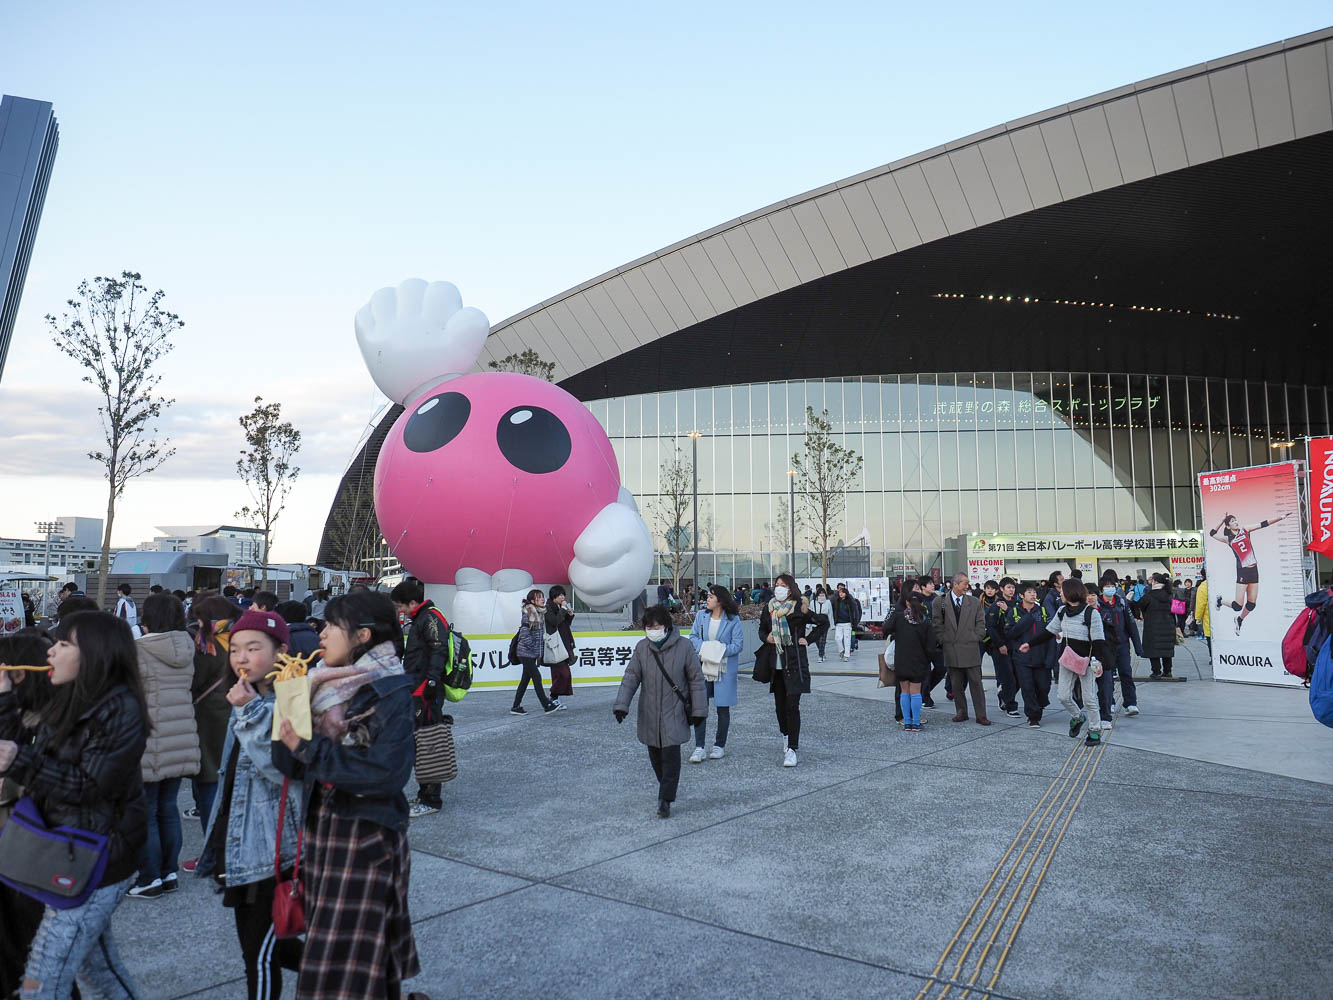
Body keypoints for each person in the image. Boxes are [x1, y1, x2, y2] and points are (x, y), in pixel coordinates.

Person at [272, 590, 422, 1000]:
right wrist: (289, 708)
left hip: (367, 841)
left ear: (363, 635)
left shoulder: (388, 690)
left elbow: (386, 774)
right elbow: (288, 766)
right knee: (359, 963)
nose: (321, 633)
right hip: (323, 835)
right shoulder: (317, 683)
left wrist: (308, 748)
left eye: (332, 626)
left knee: (339, 966)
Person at [0, 612, 147, 998]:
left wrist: (19, 760)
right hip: (70, 851)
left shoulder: (121, 709)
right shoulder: (70, 698)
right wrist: (4, 698)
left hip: (96, 858)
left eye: (64, 644)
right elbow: (20, 749)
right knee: (100, 971)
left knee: (40, 982)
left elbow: (88, 785)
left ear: (96, 655)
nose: (50, 651)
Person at [196, 609, 303, 999]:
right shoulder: (246, 694)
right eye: (236, 648)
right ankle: (355, 980)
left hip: (273, 854)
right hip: (241, 846)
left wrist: (249, 711)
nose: (241, 657)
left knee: (259, 956)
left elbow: (284, 770)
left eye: (254, 648)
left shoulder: (292, 697)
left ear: (281, 651)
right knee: (268, 948)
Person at [0, 629, 60, 999]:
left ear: (18, 674)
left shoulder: (49, 725)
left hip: (29, 859)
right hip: (16, 856)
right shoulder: (28, 715)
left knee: (35, 961)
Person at [130, 593, 201, 899]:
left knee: (146, 811)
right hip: (181, 735)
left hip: (149, 738)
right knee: (168, 808)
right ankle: (169, 872)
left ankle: (149, 877)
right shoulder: (188, 647)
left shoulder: (138, 650)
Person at [614, 605, 706, 817]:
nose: (653, 630)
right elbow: (631, 677)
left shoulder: (684, 646)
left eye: (657, 626)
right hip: (650, 712)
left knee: (671, 757)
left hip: (674, 711)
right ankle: (665, 787)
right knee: (656, 757)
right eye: (649, 627)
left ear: (667, 626)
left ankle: (665, 799)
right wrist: (621, 705)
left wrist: (699, 710)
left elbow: (696, 680)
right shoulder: (642, 648)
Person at [391, 577, 454, 817]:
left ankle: (431, 799)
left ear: (412, 602)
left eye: (401, 606)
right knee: (420, 740)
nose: (400, 610)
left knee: (429, 741)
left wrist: (432, 681)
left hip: (426, 690)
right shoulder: (421, 618)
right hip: (418, 687)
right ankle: (424, 792)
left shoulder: (430, 618)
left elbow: (439, 650)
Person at [1020, 579, 1111, 745]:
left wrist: (1097, 661)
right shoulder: (1062, 611)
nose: (1060, 593)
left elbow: (1099, 640)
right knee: (1063, 696)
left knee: (1089, 698)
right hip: (1068, 659)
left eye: (1062, 591)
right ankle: (1077, 716)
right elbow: (1050, 631)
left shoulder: (1091, 613)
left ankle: (1095, 731)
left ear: (1070, 592)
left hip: (1087, 661)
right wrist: (1030, 644)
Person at [187, 595, 242, 849]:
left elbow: (195, 681)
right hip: (235, 709)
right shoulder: (240, 639)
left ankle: (213, 849)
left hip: (210, 716)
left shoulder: (207, 644)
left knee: (209, 779)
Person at [1209, 512, 1292, 636]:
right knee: (1237, 606)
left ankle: (1239, 620)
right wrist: (1221, 521)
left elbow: (1263, 524)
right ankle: (1220, 601)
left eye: (1235, 519)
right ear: (1228, 526)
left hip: (1254, 570)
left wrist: (1280, 517)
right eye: (1232, 521)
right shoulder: (1228, 539)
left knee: (1251, 604)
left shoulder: (1245, 530)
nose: (1236, 522)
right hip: (1242, 571)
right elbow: (1212, 533)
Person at [687, 585, 745, 761]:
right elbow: (693, 637)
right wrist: (707, 648)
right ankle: (699, 747)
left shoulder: (733, 619)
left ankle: (719, 745)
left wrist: (718, 650)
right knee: (700, 707)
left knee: (722, 709)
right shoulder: (701, 616)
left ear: (720, 600)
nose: (707, 599)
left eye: (711, 597)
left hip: (724, 668)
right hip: (703, 667)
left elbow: (738, 645)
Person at [759, 574, 812, 766]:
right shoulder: (770, 608)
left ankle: (792, 748)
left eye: (783, 585)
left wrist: (808, 639)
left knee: (792, 707)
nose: (779, 587)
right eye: (777, 584)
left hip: (794, 664)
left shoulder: (799, 607)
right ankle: (785, 735)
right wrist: (767, 638)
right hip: (777, 666)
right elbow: (761, 630)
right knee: (780, 707)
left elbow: (822, 622)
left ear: (790, 588)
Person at [934, 573, 990, 725]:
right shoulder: (940, 602)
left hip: (970, 646)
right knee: (956, 683)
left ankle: (981, 714)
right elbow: (937, 623)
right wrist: (943, 639)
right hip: (951, 646)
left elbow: (981, 622)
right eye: (965, 583)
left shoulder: (974, 602)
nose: (967, 586)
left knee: (976, 683)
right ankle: (961, 711)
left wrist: (977, 636)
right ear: (955, 584)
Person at [883, 591, 939, 732]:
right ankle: (916, 722)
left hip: (901, 659)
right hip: (918, 660)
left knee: (904, 691)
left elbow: (886, 628)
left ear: (907, 603)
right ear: (922, 603)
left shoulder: (899, 617)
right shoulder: (925, 621)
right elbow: (932, 644)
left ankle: (907, 722)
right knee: (915, 692)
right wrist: (927, 658)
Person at [1094, 572, 1144, 724]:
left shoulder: (1122, 603)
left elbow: (1131, 625)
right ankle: (1109, 702)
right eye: (1107, 586)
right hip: (1105, 647)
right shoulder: (1097, 605)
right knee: (1106, 677)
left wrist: (1138, 647)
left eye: (1112, 586)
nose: (1110, 588)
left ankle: (1130, 703)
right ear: (1101, 589)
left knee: (1126, 672)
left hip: (1122, 644)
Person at [1003, 583, 1056, 727]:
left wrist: (1051, 656)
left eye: (1034, 592)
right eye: (1029, 592)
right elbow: (1009, 634)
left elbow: (1051, 634)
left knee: (1044, 687)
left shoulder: (1043, 611)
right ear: (1021, 595)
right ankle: (1033, 716)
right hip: (1022, 658)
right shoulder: (1014, 612)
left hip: (1041, 657)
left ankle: (1039, 705)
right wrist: (1027, 619)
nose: (1033, 595)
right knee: (1027, 687)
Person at [511, 590, 561, 715]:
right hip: (525, 652)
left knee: (525, 680)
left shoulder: (540, 613)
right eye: (539, 597)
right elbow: (524, 635)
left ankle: (515, 707)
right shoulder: (529, 613)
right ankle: (546, 705)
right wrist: (534, 647)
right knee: (537, 677)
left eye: (542, 597)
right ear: (533, 601)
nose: (542, 599)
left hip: (532, 653)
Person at [985, 577, 1022, 718]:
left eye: (1013, 587)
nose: (1011, 590)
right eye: (1008, 587)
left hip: (1015, 646)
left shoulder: (1017, 604)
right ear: (1001, 589)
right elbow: (991, 627)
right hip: (1000, 647)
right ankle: (1011, 706)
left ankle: (1003, 695)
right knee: (1008, 678)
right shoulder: (997, 605)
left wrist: (1009, 610)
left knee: (1018, 677)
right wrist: (1000, 645)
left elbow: (1021, 621)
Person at [1132, 573, 1178, 679]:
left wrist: (1131, 601)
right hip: (1168, 626)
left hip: (1152, 627)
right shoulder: (1169, 595)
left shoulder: (1150, 595)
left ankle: (1156, 672)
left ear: (1155, 582)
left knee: (1153, 649)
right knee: (1166, 649)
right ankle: (1167, 672)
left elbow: (1139, 605)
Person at [544, 585, 577, 703]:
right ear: (554, 596)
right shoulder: (548, 608)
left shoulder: (559, 607)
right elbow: (555, 622)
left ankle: (554, 698)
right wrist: (563, 609)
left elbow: (565, 624)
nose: (563, 597)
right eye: (560, 595)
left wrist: (570, 615)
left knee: (562, 673)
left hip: (563, 643)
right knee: (562, 673)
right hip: (555, 645)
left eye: (563, 595)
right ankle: (552, 697)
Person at [832, 582, 857, 661]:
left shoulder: (850, 602)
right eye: (840, 592)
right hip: (838, 623)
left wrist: (854, 621)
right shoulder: (836, 601)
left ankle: (846, 655)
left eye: (842, 592)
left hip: (848, 623)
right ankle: (841, 650)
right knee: (837, 638)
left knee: (847, 639)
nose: (841, 593)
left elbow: (854, 611)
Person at [810, 586, 834, 662]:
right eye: (820, 593)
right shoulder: (813, 602)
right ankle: (822, 653)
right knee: (817, 640)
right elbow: (809, 613)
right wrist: (808, 624)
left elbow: (830, 613)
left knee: (822, 640)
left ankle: (820, 656)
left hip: (824, 622)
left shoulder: (828, 602)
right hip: (815, 623)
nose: (821, 594)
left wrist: (832, 625)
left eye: (823, 593)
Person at [1195, 568, 1212, 662]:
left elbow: (1201, 604)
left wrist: (1198, 617)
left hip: (1209, 617)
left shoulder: (1203, 586)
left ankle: (1213, 657)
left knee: (1210, 639)